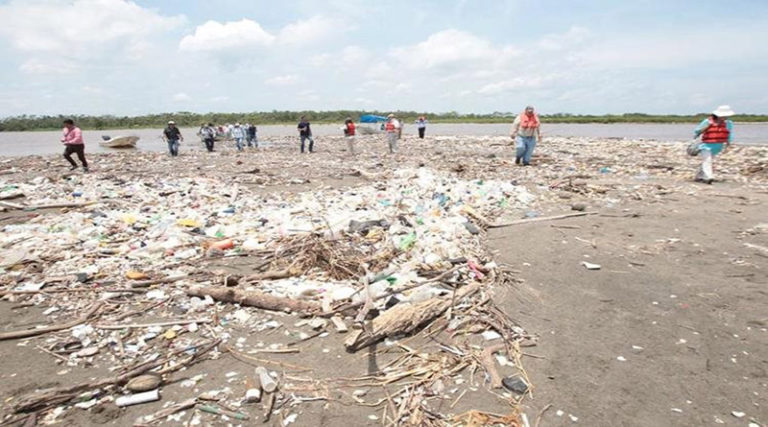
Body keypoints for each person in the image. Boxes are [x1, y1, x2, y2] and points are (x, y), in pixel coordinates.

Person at [692, 105, 735, 184]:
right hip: (706, 145)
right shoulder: (707, 121)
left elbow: (730, 133)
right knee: (707, 160)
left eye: (726, 115)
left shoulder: (729, 123)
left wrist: (729, 142)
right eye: (723, 115)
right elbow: (697, 130)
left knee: (708, 161)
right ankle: (708, 177)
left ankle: (699, 176)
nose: (725, 117)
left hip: (718, 145)